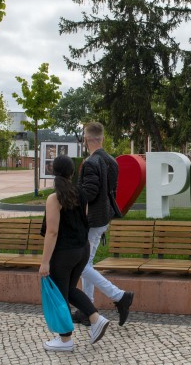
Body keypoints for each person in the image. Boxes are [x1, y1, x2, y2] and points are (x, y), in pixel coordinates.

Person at [39, 155, 110, 351]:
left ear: (54, 172)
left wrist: (45, 262)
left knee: (61, 294)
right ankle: (96, 319)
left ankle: (65, 341)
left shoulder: (54, 198)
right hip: (82, 250)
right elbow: (82, 221)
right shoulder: (81, 194)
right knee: (69, 290)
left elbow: (52, 232)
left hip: (64, 254)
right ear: (72, 173)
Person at [73, 122, 133, 327]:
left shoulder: (91, 162)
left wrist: (71, 201)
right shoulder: (111, 161)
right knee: (87, 263)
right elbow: (111, 191)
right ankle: (86, 310)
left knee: (82, 265)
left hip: (91, 220)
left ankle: (120, 296)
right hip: (103, 218)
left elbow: (88, 193)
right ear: (102, 139)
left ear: (86, 139)